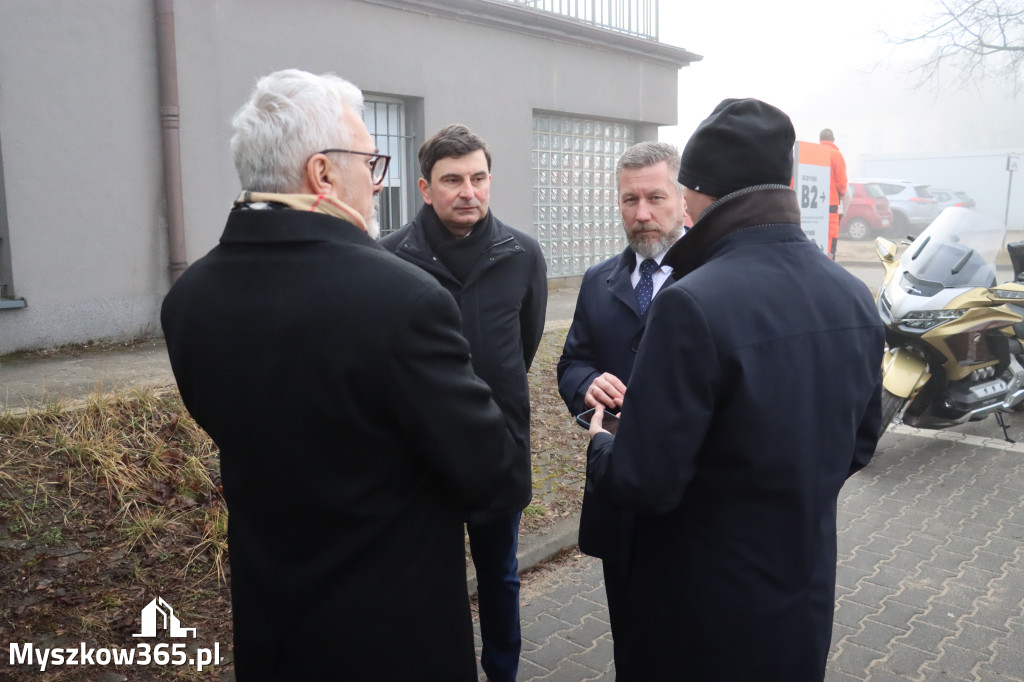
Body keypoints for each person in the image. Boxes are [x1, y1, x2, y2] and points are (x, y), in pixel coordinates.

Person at [160, 70, 526, 681]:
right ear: (323, 174)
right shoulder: (406, 300)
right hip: (391, 635)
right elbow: (493, 473)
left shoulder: (189, 298)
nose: (376, 184)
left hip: (272, 626)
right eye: (369, 163)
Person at [585, 98, 883, 680]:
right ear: (788, 182)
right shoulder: (852, 293)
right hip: (801, 590)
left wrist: (602, 444)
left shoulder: (691, 302)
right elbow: (860, 442)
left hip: (699, 608)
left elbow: (645, 479)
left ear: (697, 192)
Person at [380, 124, 547, 682]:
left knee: (500, 575)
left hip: (498, 449)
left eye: (478, 178)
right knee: (432, 579)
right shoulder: (389, 259)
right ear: (425, 188)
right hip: (419, 459)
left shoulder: (521, 254)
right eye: (452, 180)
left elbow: (523, 346)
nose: (467, 191)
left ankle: (502, 671)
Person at [556, 140, 686, 679]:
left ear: (683, 198)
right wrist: (586, 385)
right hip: (617, 490)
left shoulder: (712, 279)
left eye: (656, 197)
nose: (642, 214)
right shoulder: (598, 280)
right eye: (629, 199)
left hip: (686, 499)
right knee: (629, 634)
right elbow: (571, 362)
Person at [820, 127, 848, 259]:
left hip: (812, 206)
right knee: (830, 237)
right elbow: (841, 182)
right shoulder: (836, 155)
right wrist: (841, 194)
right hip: (830, 204)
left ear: (820, 140)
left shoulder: (812, 154)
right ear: (833, 140)